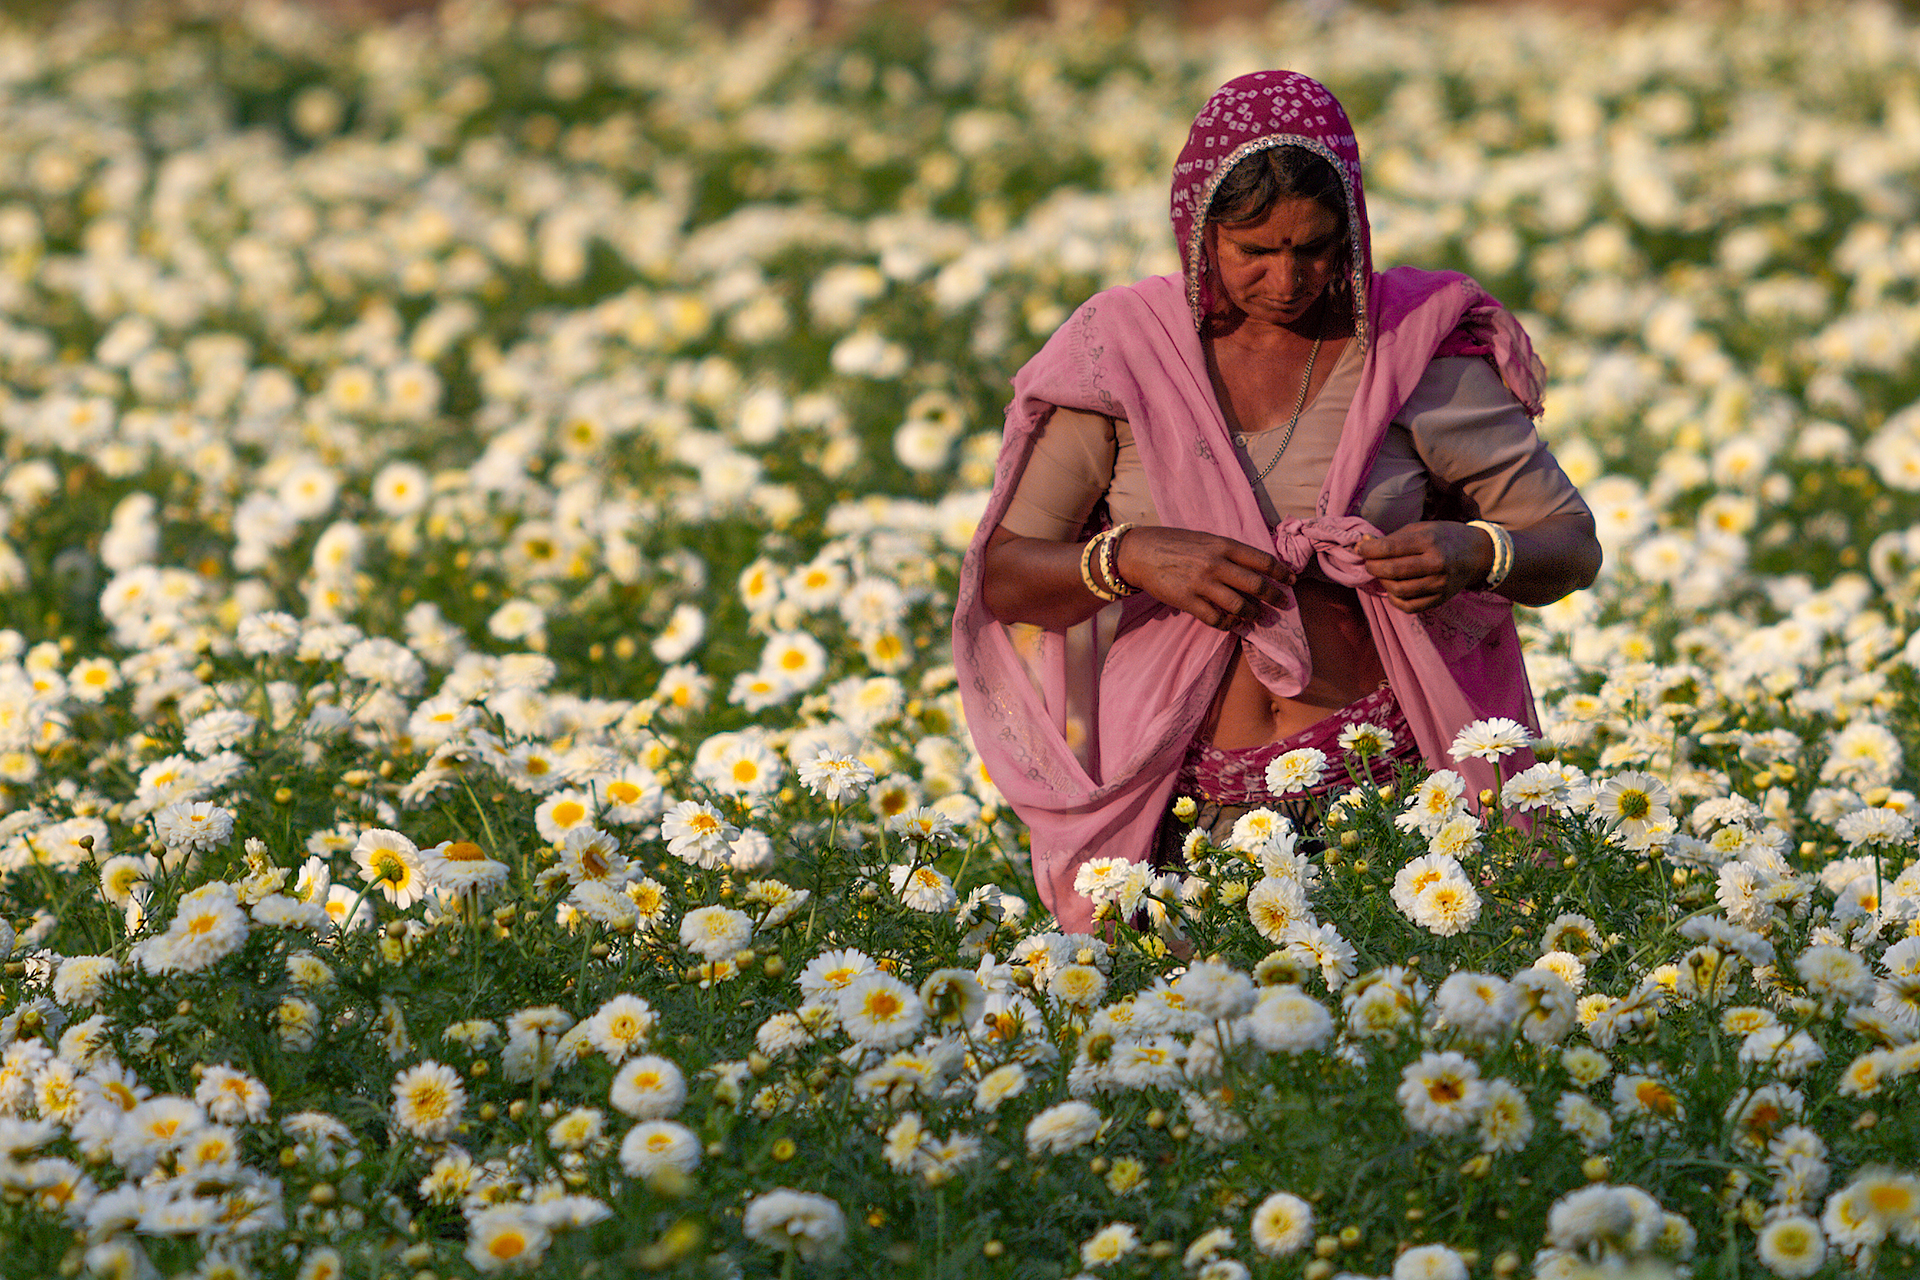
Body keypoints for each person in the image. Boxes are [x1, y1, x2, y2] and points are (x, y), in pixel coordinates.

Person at [952, 71, 1600, 935]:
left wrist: (1472, 552)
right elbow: (1005, 574)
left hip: (1394, 800)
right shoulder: (1123, 356)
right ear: (1197, 228)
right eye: (1253, 248)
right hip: (1183, 812)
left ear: (1352, 233)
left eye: (1316, 248)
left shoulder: (1411, 353)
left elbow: (1570, 542)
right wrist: (1129, 556)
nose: (1287, 279)